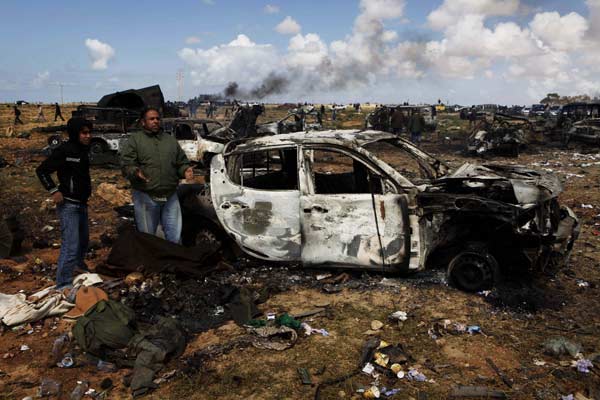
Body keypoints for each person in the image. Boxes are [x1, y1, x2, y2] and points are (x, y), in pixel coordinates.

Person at [120, 107, 193, 244]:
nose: (155, 121)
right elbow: (126, 164)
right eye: (151, 119)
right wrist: (135, 171)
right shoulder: (135, 140)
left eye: (157, 118)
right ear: (143, 122)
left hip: (170, 195)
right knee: (148, 240)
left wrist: (185, 170)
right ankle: (151, 265)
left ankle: (174, 264)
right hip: (146, 196)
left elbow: (180, 162)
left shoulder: (170, 141)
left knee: (175, 238)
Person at [36, 118, 93, 289]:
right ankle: (63, 284)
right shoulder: (64, 151)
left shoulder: (84, 150)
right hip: (69, 205)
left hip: (82, 204)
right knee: (71, 245)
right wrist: (54, 190)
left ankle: (78, 269)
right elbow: (42, 171)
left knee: (83, 241)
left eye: (89, 132)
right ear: (75, 133)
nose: (88, 136)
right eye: (84, 133)